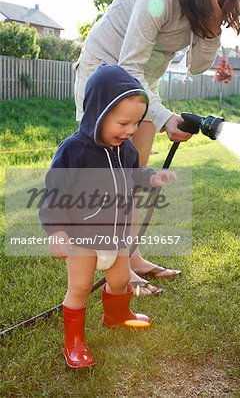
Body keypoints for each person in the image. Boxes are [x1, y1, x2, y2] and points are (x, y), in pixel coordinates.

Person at [74, 0, 240, 294]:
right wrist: (162, 116)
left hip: (141, 86)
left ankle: (133, 258)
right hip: (105, 76)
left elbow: (197, 66)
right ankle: (118, 272)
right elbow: (128, 66)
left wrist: (213, 24)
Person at [39, 64, 176, 368]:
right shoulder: (74, 151)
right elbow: (54, 192)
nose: (129, 130)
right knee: (79, 288)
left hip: (116, 239)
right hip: (82, 242)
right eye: (123, 122)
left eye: (135, 124)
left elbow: (133, 176)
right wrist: (56, 231)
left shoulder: (125, 150)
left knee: (119, 280)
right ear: (98, 113)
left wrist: (151, 178)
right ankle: (74, 343)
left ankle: (117, 315)